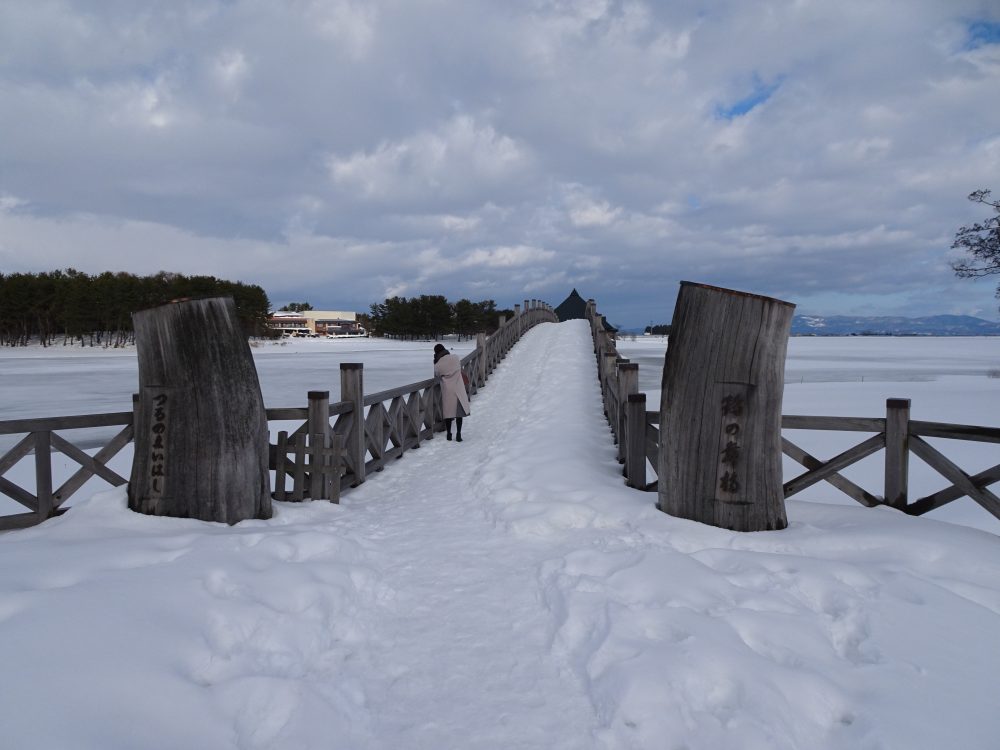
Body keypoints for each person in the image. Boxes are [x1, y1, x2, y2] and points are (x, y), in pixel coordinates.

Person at [433, 343, 470, 441]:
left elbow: (436, 375)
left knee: (448, 413)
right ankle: (458, 434)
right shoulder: (455, 358)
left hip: (448, 390)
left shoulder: (438, 365)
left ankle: (449, 434)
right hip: (459, 389)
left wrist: (435, 362)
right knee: (459, 414)